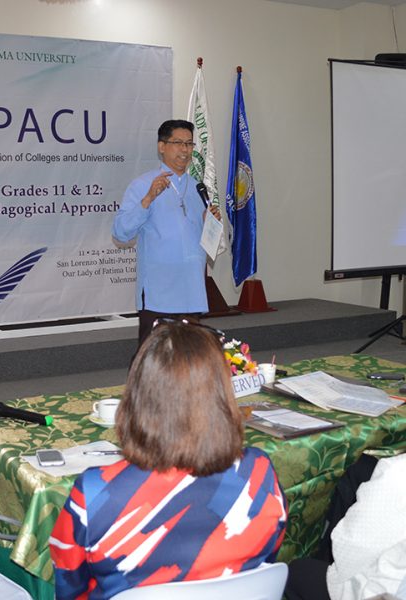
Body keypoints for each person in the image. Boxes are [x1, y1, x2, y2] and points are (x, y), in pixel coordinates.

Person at [49, 321, 287, 599]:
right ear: (222, 396)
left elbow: (68, 587)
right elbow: (265, 555)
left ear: (137, 397)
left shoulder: (94, 491)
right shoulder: (260, 474)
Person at [112, 120, 220, 348]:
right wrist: (148, 199)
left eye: (189, 144)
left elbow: (205, 244)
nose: (185, 150)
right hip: (158, 294)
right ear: (161, 146)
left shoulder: (198, 188)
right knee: (153, 360)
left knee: (189, 360)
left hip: (192, 291)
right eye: (178, 143)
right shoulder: (142, 185)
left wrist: (209, 225)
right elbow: (121, 233)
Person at [284, 453, 406, 600]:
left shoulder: (398, 473)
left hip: (383, 591)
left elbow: (350, 550)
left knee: (296, 572)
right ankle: (324, 556)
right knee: (357, 467)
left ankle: (323, 557)